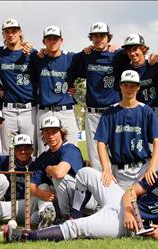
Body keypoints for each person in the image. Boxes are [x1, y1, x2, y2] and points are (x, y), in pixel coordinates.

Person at [5, 152, 158, 242]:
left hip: (129, 225)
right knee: (85, 173)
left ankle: (26, 236)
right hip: (124, 205)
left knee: (77, 229)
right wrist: (129, 210)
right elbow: (131, 192)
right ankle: (74, 214)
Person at [68, 22, 125, 171]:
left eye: (102, 36)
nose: (99, 39)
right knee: (95, 159)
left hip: (113, 111)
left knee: (116, 156)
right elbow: (70, 70)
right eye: (95, 36)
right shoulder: (85, 56)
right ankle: (98, 192)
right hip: (92, 113)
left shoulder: (118, 55)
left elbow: (138, 58)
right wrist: (70, 86)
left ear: (108, 38)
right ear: (91, 38)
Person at [95, 70, 158, 190]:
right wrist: (106, 169)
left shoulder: (146, 111)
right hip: (120, 172)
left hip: (143, 168)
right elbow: (101, 143)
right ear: (120, 86)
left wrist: (152, 167)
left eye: (132, 85)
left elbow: (157, 141)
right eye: (126, 85)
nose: (129, 88)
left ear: (138, 87)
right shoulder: (110, 113)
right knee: (122, 206)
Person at [0, 18, 39, 155]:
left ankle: (30, 177)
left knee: (31, 150)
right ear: (3, 34)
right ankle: (8, 177)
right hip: (8, 109)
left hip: (29, 109)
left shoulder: (32, 53)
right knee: (8, 152)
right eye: (7, 31)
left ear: (20, 32)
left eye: (14, 31)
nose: (11, 34)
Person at [32, 26, 79, 154]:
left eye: (55, 39)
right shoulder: (38, 59)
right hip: (45, 111)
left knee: (71, 150)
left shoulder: (71, 58)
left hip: (66, 110)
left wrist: (109, 46)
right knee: (45, 153)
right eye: (49, 39)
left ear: (61, 40)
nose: (52, 42)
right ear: (44, 42)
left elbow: (90, 58)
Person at [31, 116, 89, 222]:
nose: (51, 136)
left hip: (83, 198)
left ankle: (67, 218)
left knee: (58, 178)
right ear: (43, 135)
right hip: (62, 198)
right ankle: (50, 217)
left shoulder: (70, 149)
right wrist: (41, 194)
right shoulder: (44, 157)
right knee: (34, 218)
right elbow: (31, 185)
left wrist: (48, 168)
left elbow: (59, 173)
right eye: (47, 132)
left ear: (61, 132)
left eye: (54, 132)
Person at [0, 134, 56, 229]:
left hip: (32, 202)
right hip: (15, 205)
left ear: (32, 150)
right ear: (13, 151)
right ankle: (39, 219)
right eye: (19, 149)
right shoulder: (4, 161)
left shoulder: (37, 163)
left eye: (27, 148)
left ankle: (46, 214)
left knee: (44, 186)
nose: (23, 151)